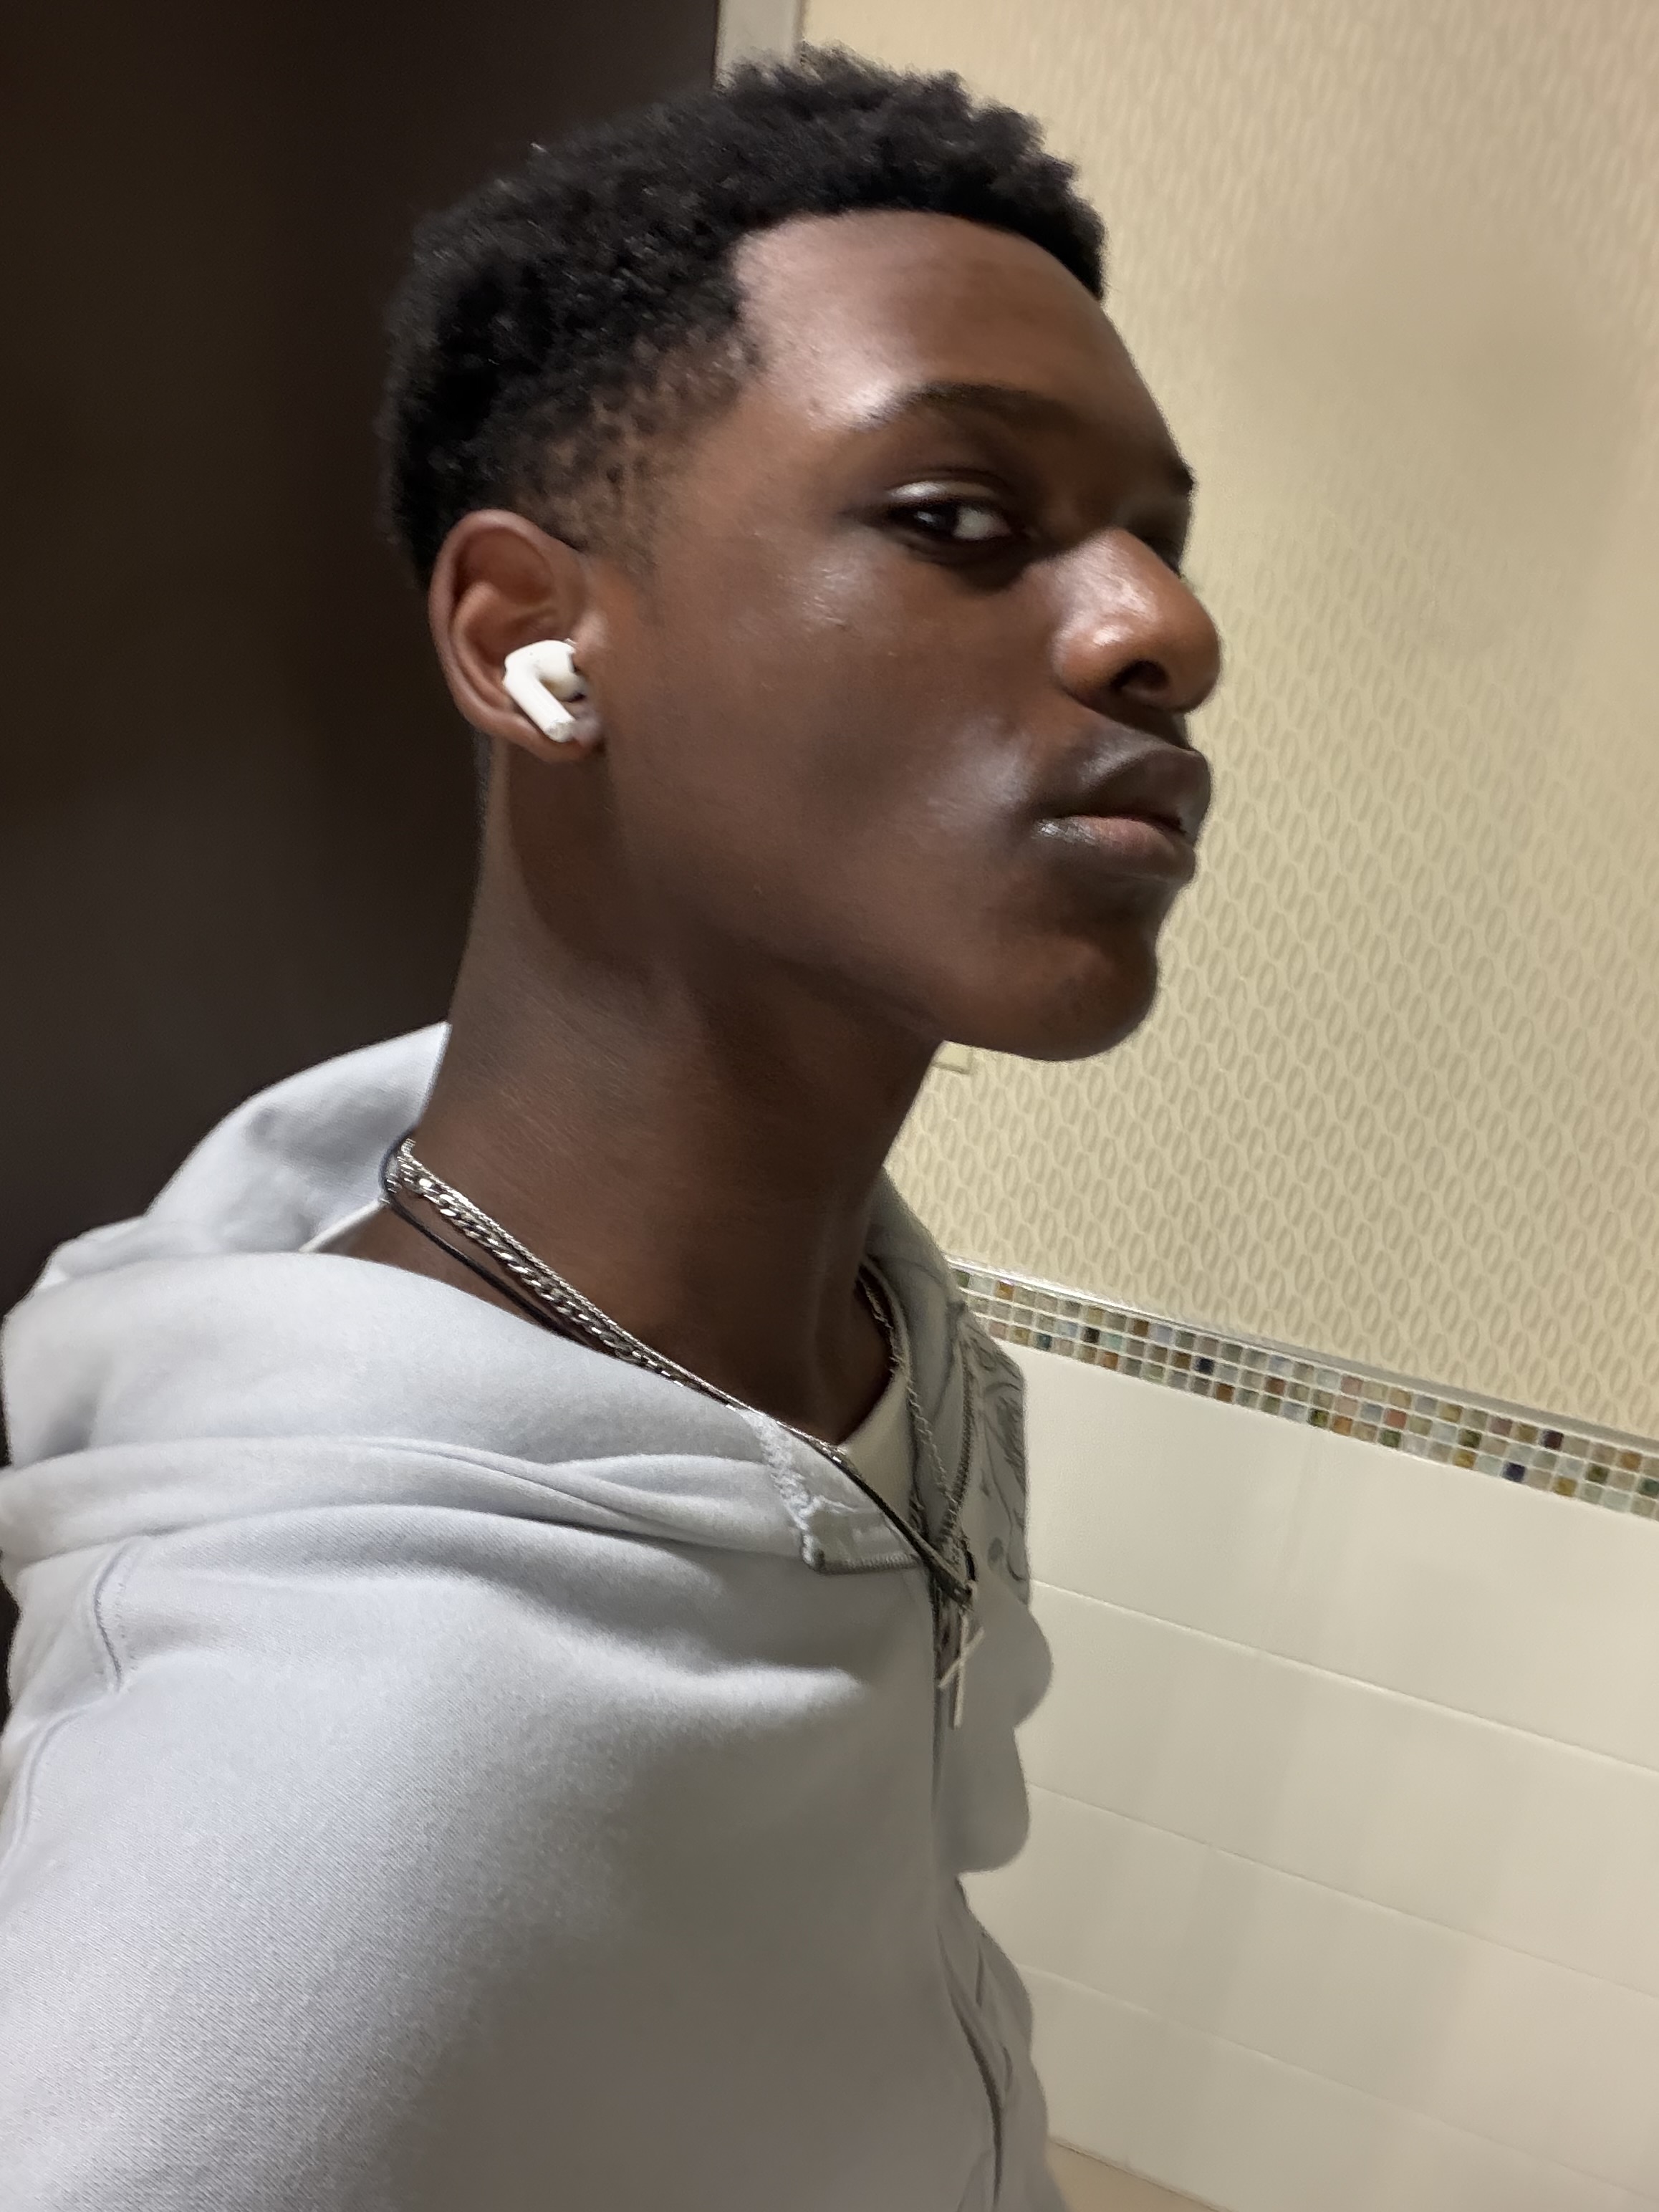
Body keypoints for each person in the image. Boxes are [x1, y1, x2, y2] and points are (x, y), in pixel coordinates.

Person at [0, 49, 1219, 2212]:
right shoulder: (306, 1808)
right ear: (535, 640)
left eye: (1160, 540)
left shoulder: (875, 1355)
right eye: (958, 517)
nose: (1162, 629)